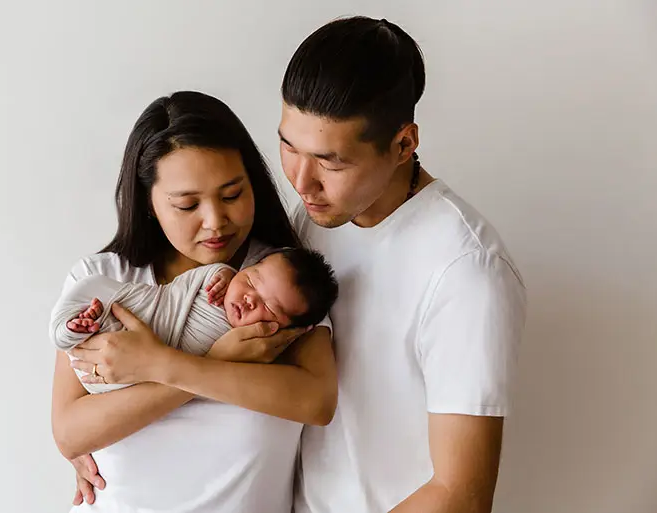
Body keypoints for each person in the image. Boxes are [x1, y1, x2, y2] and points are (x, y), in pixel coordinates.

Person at [277, 17, 528, 512]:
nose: (301, 181)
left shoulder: (467, 269)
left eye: (330, 161)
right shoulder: (309, 221)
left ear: (403, 145)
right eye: (288, 145)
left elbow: (461, 494)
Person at [51, 90, 337, 512]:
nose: (215, 221)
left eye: (232, 195)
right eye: (187, 205)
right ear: (149, 203)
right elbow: (70, 434)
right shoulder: (105, 282)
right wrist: (213, 364)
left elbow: (316, 401)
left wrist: (163, 365)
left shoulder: (281, 286)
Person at [50, 247, 338, 394]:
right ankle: (71, 327)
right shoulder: (219, 281)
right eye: (251, 279)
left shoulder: (257, 348)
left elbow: (316, 405)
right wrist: (221, 273)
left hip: (124, 376)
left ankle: (76, 329)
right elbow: (177, 294)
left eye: (269, 308)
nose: (249, 298)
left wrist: (220, 359)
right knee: (95, 288)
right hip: (148, 311)